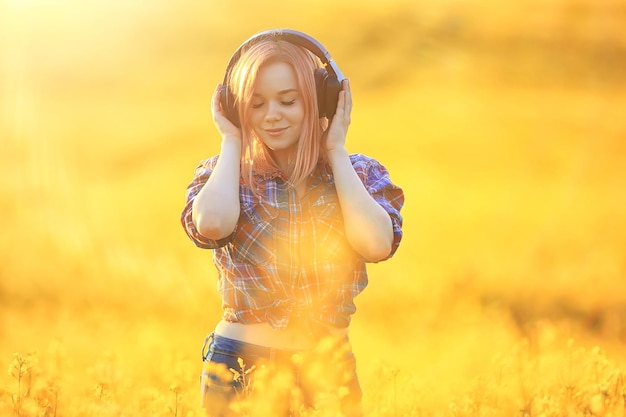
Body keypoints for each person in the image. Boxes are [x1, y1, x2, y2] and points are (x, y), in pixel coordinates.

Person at [181, 29, 404, 416]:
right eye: (255, 104)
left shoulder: (359, 174)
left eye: (288, 101)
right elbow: (212, 224)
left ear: (321, 101)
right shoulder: (224, 174)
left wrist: (335, 148)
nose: (271, 115)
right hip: (238, 365)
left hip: (326, 369)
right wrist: (231, 141)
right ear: (235, 109)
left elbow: (376, 244)